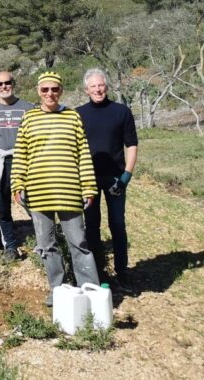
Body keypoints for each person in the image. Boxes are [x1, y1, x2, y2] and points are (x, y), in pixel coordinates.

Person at [12, 72, 100, 306]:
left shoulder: (72, 117)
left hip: (69, 192)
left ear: (60, 91)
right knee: (46, 245)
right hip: (39, 192)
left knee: (78, 243)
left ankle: (89, 290)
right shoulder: (29, 119)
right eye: (45, 90)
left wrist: (89, 186)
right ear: (38, 91)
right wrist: (18, 183)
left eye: (54, 89)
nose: (50, 94)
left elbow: (83, 154)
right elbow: (21, 153)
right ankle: (58, 289)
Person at [77, 68, 138, 291]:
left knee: (118, 225)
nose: (98, 89)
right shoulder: (78, 114)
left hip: (115, 179)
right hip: (88, 180)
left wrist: (126, 177)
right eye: (93, 86)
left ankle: (122, 273)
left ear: (107, 87)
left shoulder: (121, 112)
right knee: (91, 227)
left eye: (101, 85)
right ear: (86, 89)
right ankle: (99, 273)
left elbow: (131, 145)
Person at [0, 71, 34, 262]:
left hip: (23, 161)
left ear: (13, 83)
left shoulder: (28, 107)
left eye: (7, 83)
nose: (4, 87)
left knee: (32, 203)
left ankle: (42, 243)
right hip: (0, 162)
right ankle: (10, 247)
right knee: (3, 207)